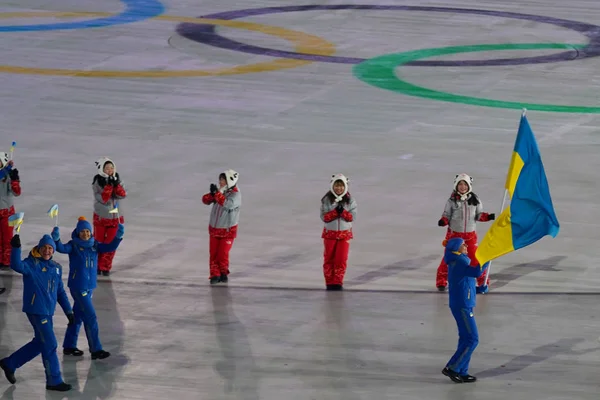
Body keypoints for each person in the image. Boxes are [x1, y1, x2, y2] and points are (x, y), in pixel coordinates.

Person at [0, 233, 74, 392]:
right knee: (50, 343)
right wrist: (16, 248)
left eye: (50, 248)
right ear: (39, 249)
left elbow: (60, 292)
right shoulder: (31, 264)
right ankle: (54, 380)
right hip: (36, 310)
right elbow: (16, 265)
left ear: (53, 250)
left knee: (40, 342)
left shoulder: (56, 268)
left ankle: (10, 363)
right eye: (44, 248)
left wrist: (69, 311)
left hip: (48, 311)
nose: (47, 251)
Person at [52, 216, 124, 359]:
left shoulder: (94, 245)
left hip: (90, 287)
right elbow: (61, 248)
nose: (85, 234)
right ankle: (96, 349)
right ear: (78, 232)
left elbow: (110, 247)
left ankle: (69, 346)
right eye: (82, 231)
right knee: (90, 317)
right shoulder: (73, 246)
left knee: (77, 317)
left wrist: (118, 236)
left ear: (90, 233)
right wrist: (56, 239)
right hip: (78, 287)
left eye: (87, 231)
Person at [436, 174, 494, 293]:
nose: (463, 187)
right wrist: (443, 221)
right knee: (449, 258)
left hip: (470, 236)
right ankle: (441, 281)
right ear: (456, 185)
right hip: (455, 236)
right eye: (460, 184)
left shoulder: (475, 200)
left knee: (475, 259)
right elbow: (446, 214)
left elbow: (479, 215)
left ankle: (483, 282)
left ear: (469, 186)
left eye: (465, 185)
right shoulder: (451, 201)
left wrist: (488, 216)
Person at [442, 237, 489, 384]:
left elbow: (464, 283)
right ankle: (453, 368)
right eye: (463, 245)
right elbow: (475, 272)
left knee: (465, 338)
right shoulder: (459, 261)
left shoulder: (459, 261)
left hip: (463, 302)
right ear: (456, 247)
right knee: (472, 338)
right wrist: (487, 259)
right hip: (462, 305)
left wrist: (478, 289)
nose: (466, 246)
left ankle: (462, 370)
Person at [201, 169, 241, 285]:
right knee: (213, 254)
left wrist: (217, 194)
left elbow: (228, 204)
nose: (221, 182)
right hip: (214, 229)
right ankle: (215, 275)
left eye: (223, 180)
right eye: (220, 180)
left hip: (227, 231)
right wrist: (212, 194)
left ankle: (223, 272)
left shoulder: (236, 194)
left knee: (222, 254)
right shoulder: (220, 192)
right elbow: (205, 200)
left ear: (229, 180)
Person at [320, 174, 357, 290]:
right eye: (337, 185)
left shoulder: (350, 200)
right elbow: (324, 217)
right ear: (332, 186)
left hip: (344, 235)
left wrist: (343, 212)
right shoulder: (326, 200)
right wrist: (336, 212)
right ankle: (330, 283)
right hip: (330, 234)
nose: (339, 188)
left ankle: (338, 282)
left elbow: (352, 217)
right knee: (329, 259)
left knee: (341, 259)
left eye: (341, 186)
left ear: (345, 186)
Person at [92, 157, 126, 276]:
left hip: (115, 217)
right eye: (107, 168)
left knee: (111, 243)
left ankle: (105, 266)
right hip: (101, 217)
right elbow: (103, 199)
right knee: (98, 242)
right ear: (102, 169)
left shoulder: (117, 179)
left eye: (111, 168)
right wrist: (109, 186)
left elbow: (122, 195)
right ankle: (95, 265)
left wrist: (116, 185)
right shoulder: (97, 182)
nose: (110, 170)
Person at [0, 152, 21, 269]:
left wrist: (14, 181)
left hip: (7, 212)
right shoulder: (4, 173)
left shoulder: (8, 175)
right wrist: (7, 168)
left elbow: (16, 193)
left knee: (7, 238)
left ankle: (7, 261)